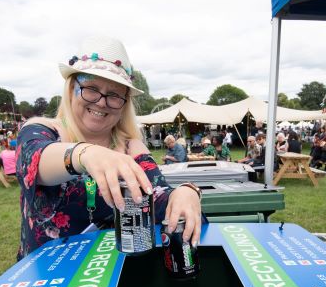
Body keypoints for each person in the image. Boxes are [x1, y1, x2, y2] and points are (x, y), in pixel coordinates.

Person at [15, 35, 201, 259]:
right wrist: (85, 154)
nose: (101, 102)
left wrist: (185, 192)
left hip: (111, 275)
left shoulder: (131, 147)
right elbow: (32, 160)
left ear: (123, 105)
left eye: (114, 95)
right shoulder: (44, 129)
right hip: (50, 279)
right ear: (72, 88)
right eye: (91, 88)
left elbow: (156, 194)